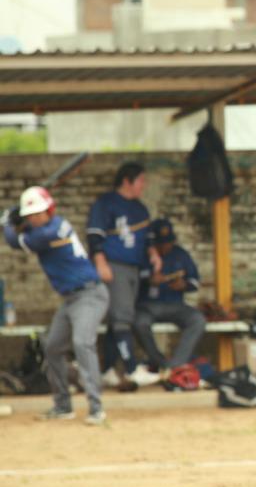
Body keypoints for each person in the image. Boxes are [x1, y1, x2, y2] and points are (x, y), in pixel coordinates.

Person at [3, 186, 109, 425]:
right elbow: (25, 229)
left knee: (82, 343)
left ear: (49, 210)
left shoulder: (48, 232)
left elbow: (14, 240)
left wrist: (6, 222)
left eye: (39, 213)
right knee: (52, 349)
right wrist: (15, 216)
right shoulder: (44, 227)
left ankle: (96, 409)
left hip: (90, 295)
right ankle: (63, 405)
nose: (35, 218)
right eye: (31, 215)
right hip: (71, 299)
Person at [86, 161, 152, 389]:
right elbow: (94, 234)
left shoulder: (140, 208)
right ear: (127, 181)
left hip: (133, 268)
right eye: (141, 180)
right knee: (122, 317)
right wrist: (100, 260)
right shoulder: (106, 204)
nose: (144, 185)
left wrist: (153, 255)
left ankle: (107, 371)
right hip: (114, 265)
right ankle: (132, 369)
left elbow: (148, 238)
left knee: (119, 318)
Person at [132, 218, 206, 376]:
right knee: (139, 322)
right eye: (161, 243)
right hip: (147, 306)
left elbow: (195, 281)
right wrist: (148, 281)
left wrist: (184, 285)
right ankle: (159, 362)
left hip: (175, 305)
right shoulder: (141, 255)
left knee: (197, 319)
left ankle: (176, 365)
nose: (166, 246)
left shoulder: (180, 254)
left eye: (168, 242)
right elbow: (128, 283)